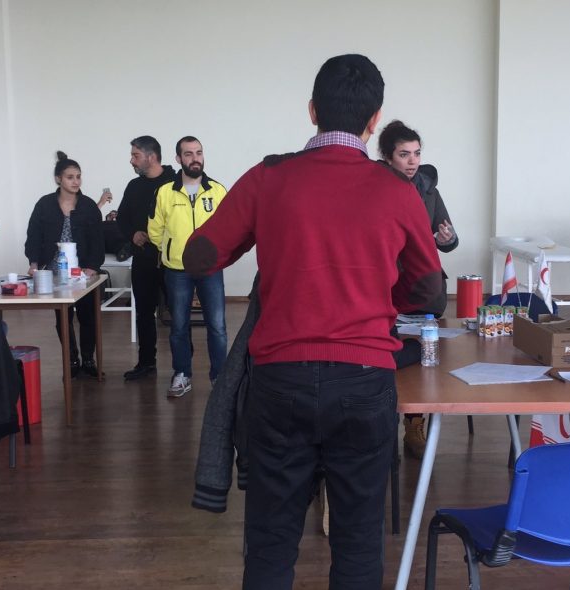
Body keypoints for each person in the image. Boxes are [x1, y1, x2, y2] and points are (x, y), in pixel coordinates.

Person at [184, 54, 442, 590]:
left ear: (312, 111)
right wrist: (380, 292)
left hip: (281, 381)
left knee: (271, 542)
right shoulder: (398, 191)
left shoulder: (268, 177)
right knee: (358, 541)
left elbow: (198, 257)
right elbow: (429, 292)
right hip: (365, 381)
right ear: (374, 120)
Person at [376, 119, 458, 458]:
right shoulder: (374, 187)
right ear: (387, 156)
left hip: (424, 289)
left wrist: (447, 238)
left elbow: (448, 239)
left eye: (417, 153)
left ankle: (414, 425)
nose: (412, 161)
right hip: (385, 286)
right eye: (404, 154)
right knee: (385, 359)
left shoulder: (428, 188)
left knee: (423, 361)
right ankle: (383, 425)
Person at [147, 136, 228, 397]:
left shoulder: (217, 191)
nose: (195, 158)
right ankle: (182, 374)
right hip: (177, 269)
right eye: (189, 153)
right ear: (178, 158)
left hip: (210, 268)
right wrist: (171, 249)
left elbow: (228, 227)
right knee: (179, 326)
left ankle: (220, 377)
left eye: (199, 152)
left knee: (217, 326)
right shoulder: (165, 192)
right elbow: (155, 230)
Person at [24, 151, 105, 378]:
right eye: (70, 177)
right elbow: (33, 236)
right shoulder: (45, 204)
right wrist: (34, 262)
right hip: (54, 270)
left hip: (83, 271)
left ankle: (88, 359)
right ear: (58, 179)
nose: (76, 181)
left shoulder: (88, 206)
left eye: (78, 176)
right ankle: (72, 359)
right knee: (63, 316)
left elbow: (98, 241)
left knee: (88, 315)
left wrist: (92, 266)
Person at [116, 135, 177, 381]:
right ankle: (146, 363)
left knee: (178, 313)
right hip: (143, 259)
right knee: (143, 312)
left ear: (151, 157)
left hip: (172, 261)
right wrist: (133, 234)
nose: (131, 160)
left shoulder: (175, 183)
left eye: (135, 155)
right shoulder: (134, 186)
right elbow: (122, 219)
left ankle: (182, 366)